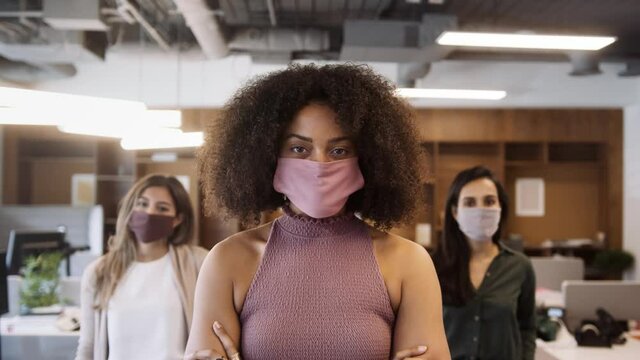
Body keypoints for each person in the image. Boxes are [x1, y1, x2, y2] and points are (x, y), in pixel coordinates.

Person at [185, 63, 450, 360]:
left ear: (369, 160)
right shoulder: (228, 260)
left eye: (339, 151)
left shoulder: (408, 263)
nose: (320, 165)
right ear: (269, 155)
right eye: (299, 149)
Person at [75, 174, 208, 360]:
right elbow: (88, 345)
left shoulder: (198, 262)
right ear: (130, 208)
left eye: (162, 208)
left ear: (177, 219)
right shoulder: (98, 272)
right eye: (142, 204)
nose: (149, 213)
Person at [432, 166, 536, 360]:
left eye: (489, 201)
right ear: (455, 212)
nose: (480, 210)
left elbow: (527, 328)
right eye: (470, 202)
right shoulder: (432, 266)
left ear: (500, 207)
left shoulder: (520, 266)